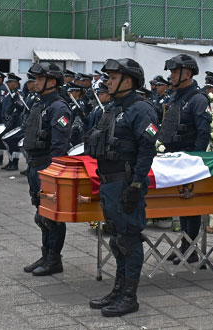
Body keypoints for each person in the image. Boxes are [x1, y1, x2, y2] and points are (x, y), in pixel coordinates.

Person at [86, 58, 158, 317]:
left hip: (126, 183)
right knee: (117, 240)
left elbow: (147, 149)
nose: (108, 81)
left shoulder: (142, 109)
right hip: (109, 183)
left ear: (128, 80)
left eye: (113, 77)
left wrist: (137, 184)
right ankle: (118, 290)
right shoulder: (113, 108)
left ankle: (129, 296)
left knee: (129, 239)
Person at [160, 54, 212, 265]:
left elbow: (203, 133)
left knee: (192, 206)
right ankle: (184, 245)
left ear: (187, 73)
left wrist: (195, 159)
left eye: (175, 72)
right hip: (175, 157)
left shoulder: (198, 99)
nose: (171, 76)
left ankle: (191, 249)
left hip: (190, 159)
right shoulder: (176, 97)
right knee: (182, 206)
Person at [21, 62, 71, 277]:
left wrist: (51, 174)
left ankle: (54, 259)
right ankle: (45, 254)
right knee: (41, 214)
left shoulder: (59, 108)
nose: (35, 82)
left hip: (46, 166)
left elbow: (59, 147)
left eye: (40, 79)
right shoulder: (39, 104)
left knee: (52, 216)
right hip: (34, 165)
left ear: (52, 82)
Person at [0, 73, 25, 171]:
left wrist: (11, 117)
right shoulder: (9, 93)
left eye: (10, 82)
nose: (8, 84)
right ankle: (10, 161)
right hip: (7, 121)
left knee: (13, 143)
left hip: (15, 121)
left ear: (16, 83)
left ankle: (14, 163)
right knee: (8, 143)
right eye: (8, 82)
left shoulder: (19, 94)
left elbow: (18, 108)